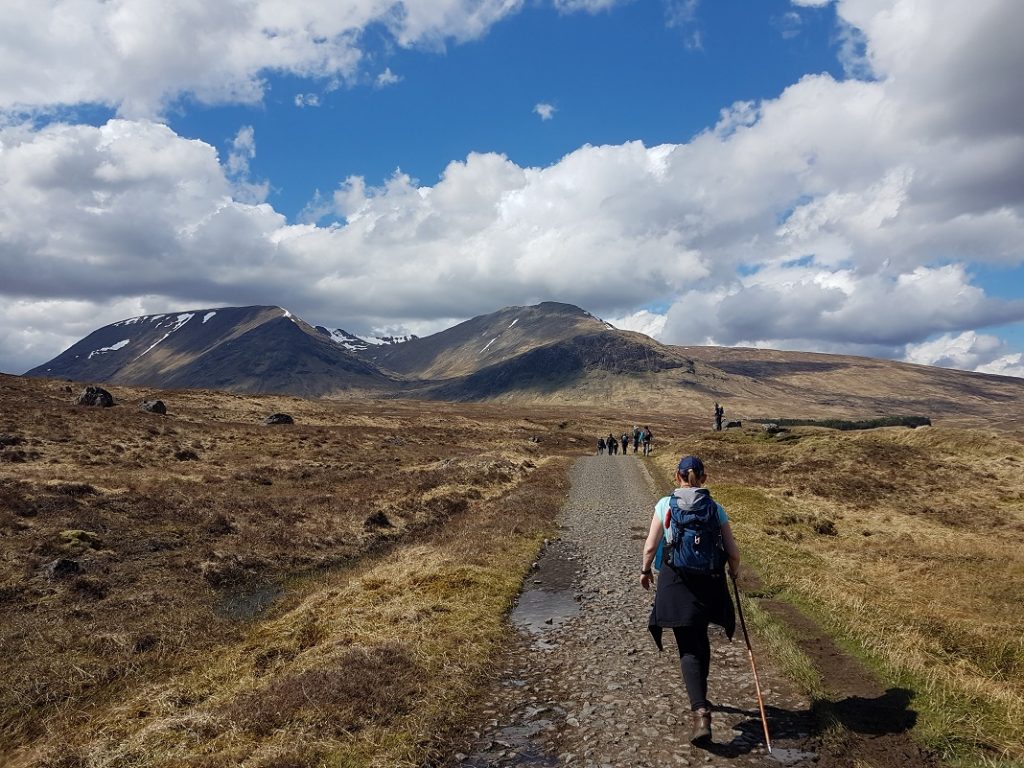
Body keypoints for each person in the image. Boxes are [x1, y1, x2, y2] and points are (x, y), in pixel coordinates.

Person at [640, 455, 740, 746]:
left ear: (677, 476)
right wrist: (734, 573)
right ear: (703, 478)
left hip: (676, 580)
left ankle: (701, 711)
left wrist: (646, 571)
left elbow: (650, 546)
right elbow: (733, 552)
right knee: (701, 639)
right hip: (709, 581)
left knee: (688, 644)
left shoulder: (664, 504)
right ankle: (701, 695)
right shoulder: (715, 508)